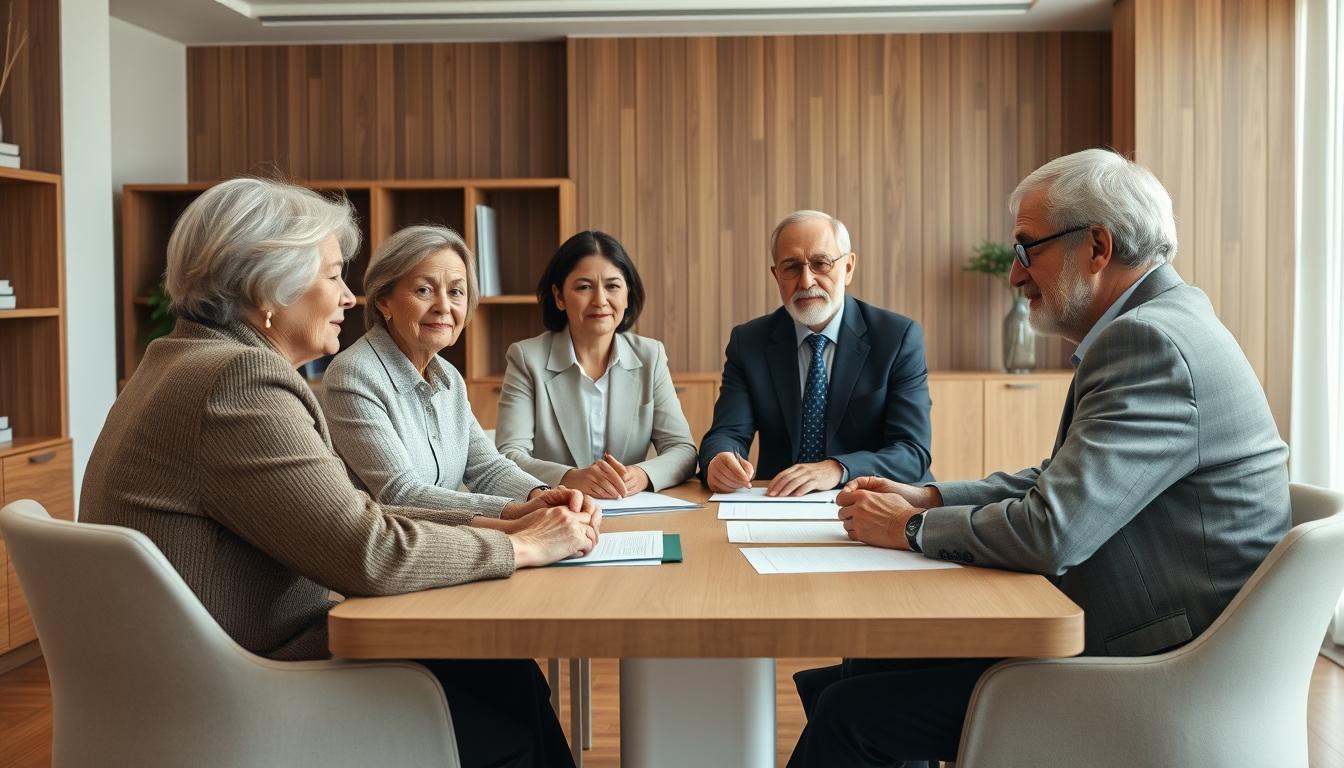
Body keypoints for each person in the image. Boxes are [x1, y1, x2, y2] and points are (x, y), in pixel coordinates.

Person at [789, 149, 1291, 767]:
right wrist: (931, 496)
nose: (1015, 274)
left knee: (851, 713)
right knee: (861, 671)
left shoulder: (1148, 342)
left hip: (1162, 662)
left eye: (1027, 249)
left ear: (1098, 248)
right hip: (1166, 625)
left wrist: (912, 528)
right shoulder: (1164, 322)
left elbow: (1054, 528)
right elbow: (1062, 482)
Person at [80, 178, 594, 768]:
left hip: (205, 668)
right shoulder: (238, 384)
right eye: (332, 275)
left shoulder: (184, 362)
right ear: (266, 284)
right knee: (505, 701)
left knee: (507, 679)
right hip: (240, 692)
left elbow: (354, 514)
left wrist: (506, 523)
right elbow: (368, 552)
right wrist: (523, 548)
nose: (350, 297)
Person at [322, 224, 579, 522]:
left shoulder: (449, 378)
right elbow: (399, 494)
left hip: (441, 543)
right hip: (385, 557)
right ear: (383, 300)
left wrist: (542, 494)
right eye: (424, 290)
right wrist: (513, 512)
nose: (443, 306)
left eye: (456, 291)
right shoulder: (353, 375)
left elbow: (487, 467)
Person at [699, 210, 933, 497]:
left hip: (874, 500)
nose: (806, 281)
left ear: (848, 267)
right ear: (776, 276)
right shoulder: (749, 343)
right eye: (791, 267)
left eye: (821, 263)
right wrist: (719, 460)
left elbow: (912, 451)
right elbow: (727, 433)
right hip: (780, 503)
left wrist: (836, 468)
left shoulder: (897, 337)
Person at [495, 230, 698, 499]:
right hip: (556, 512)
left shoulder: (651, 356)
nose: (600, 300)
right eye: (584, 287)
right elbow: (508, 457)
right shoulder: (526, 358)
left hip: (630, 511)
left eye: (613, 286)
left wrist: (639, 475)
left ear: (627, 295)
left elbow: (682, 449)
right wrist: (570, 478)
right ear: (559, 297)